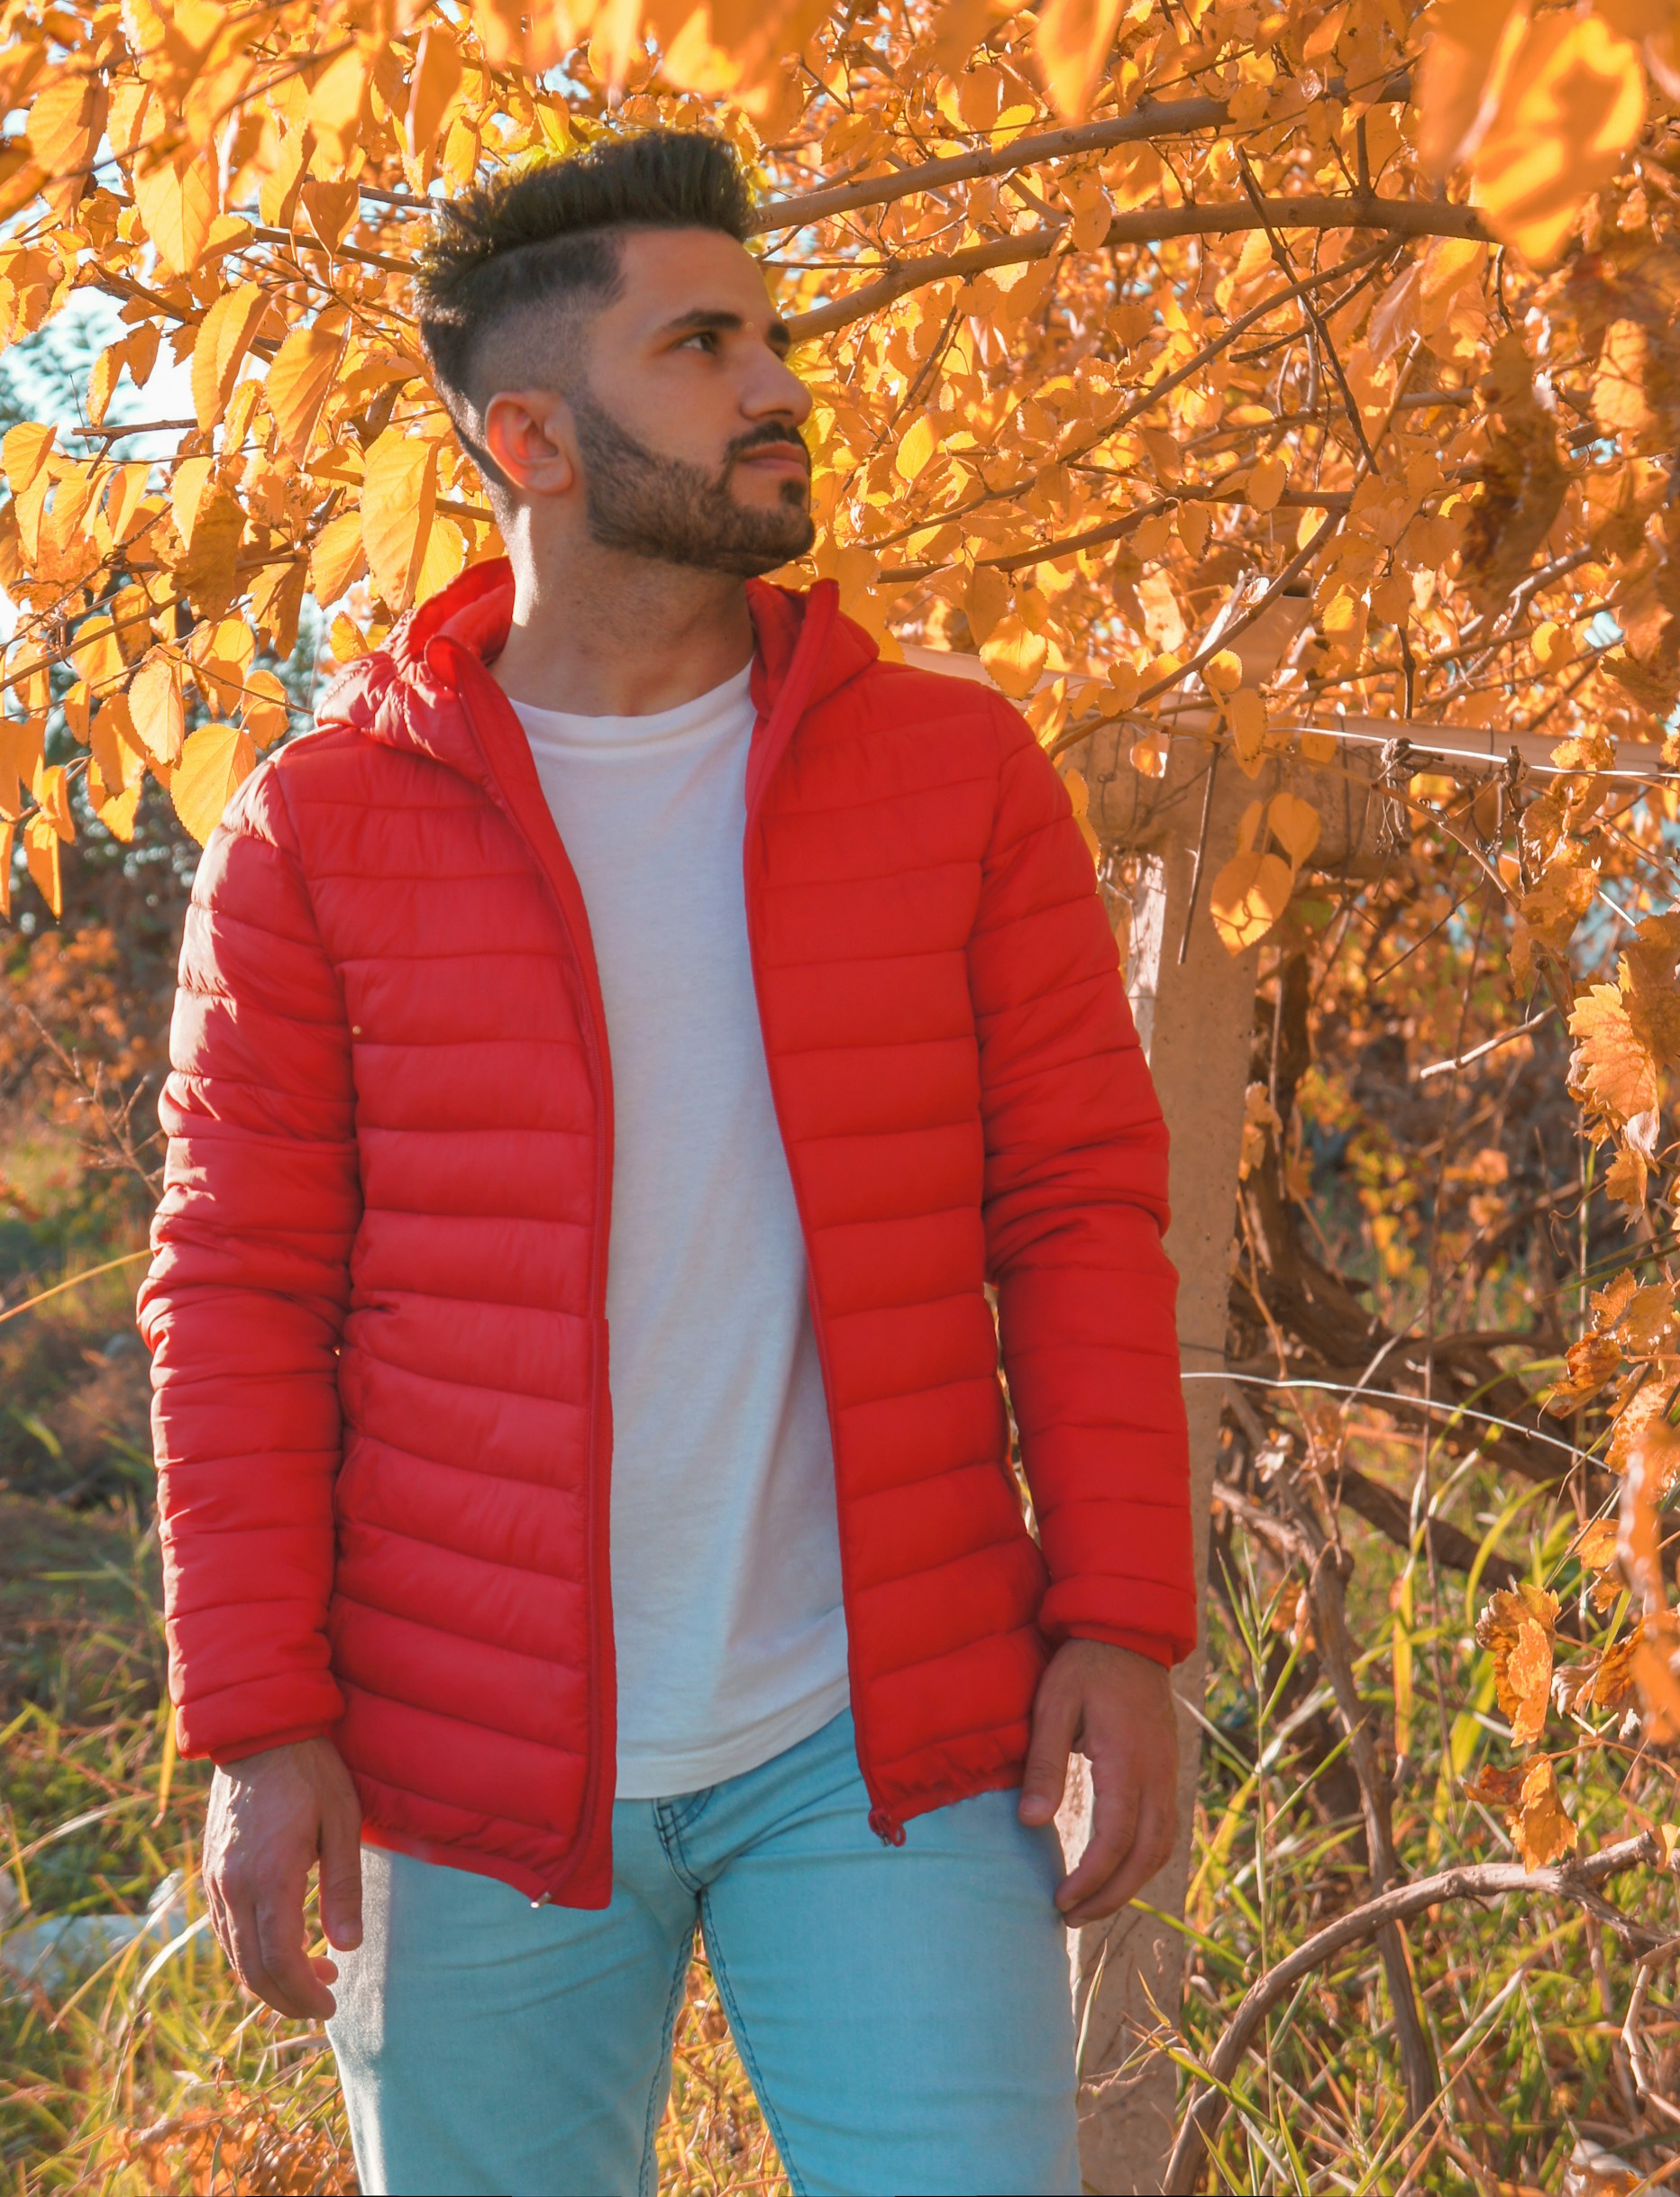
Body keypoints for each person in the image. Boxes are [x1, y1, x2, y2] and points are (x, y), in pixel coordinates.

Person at [139, 127, 1195, 2197]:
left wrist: (1121, 1617)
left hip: (884, 1740)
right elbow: (236, 1286)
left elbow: (1075, 1204)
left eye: (771, 334)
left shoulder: (957, 774)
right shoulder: (313, 831)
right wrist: (262, 1725)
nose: (779, 383)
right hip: (460, 1768)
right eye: (703, 344)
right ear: (528, 434)